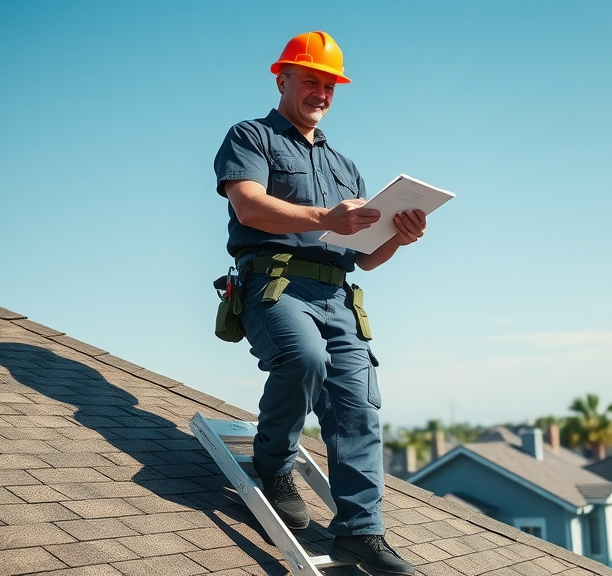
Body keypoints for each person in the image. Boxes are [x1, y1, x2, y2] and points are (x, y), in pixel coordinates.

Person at [213, 31, 424, 576]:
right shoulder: (252, 136)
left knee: (359, 408)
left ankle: (360, 532)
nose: (321, 93)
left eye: (329, 85)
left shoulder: (346, 167)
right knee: (304, 359)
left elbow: (365, 259)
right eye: (311, 80)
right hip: (276, 286)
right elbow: (251, 207)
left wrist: (399, 235)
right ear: (282, 78)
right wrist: (325, 218)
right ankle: (275, 464)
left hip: (338, 295)